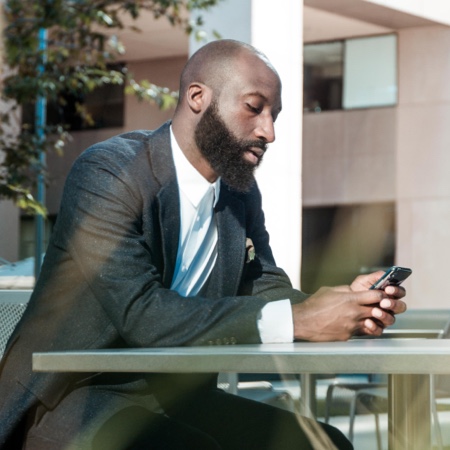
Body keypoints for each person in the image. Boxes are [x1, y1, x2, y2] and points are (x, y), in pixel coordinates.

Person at [0, 39, 406, 450]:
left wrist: (337, 306)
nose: (269, 131)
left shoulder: (238, 191)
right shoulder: (110, 173)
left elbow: (262, 287)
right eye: (254, 107)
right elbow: (143, 315)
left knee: (324, 443)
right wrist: (302, 320)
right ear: (198, 97)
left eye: (274, 115)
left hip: (174, 395)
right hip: (72, 395)